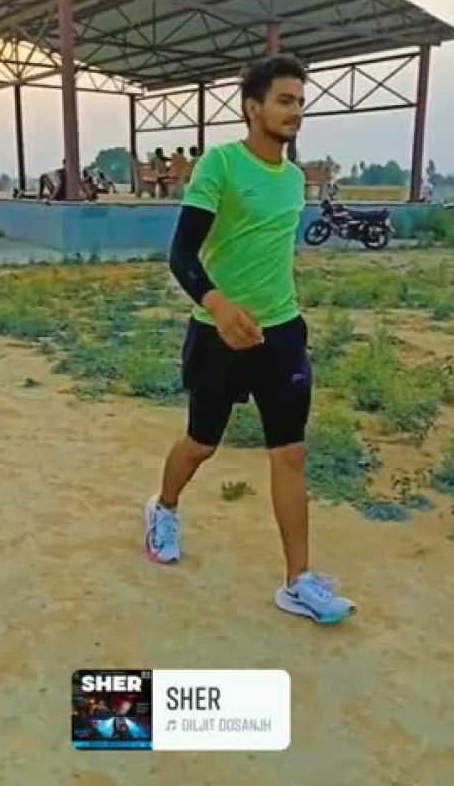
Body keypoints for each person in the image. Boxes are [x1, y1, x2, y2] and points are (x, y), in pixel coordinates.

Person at [143, 54, 356, 626]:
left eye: (300, 102)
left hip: (281, 333)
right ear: (252, 108)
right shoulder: (220, 165)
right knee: (201, 443)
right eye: (284, 100)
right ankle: (164, 508)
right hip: (218, 334)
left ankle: (298, 582)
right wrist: (218, 305)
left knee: (290, 453)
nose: (295, 111)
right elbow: (181, 254)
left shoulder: (293, 180)